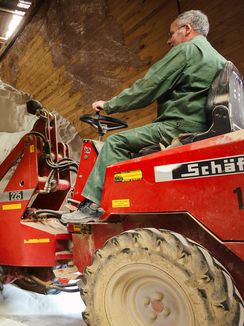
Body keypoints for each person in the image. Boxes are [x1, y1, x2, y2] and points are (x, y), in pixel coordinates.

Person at [61, 9, 226, 224]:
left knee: (116, 143)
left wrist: (109, 104)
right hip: (200, 125)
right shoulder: (219, 58)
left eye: (172, 33)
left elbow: (149, 86)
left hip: (178, 126)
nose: (168, 40)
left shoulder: (188, 49)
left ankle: (93, 207)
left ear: (187, 29)